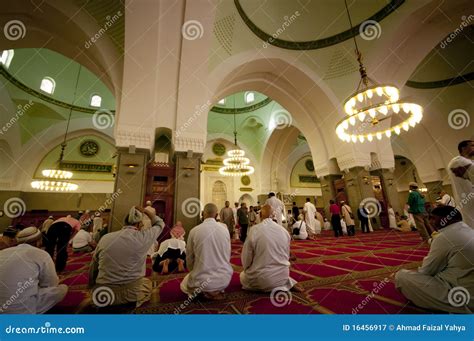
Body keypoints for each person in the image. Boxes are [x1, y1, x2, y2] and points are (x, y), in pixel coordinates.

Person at [395, 206, 474, 313]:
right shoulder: (469, 230)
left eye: (433, 218)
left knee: (402, 276)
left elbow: (427, 271)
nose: (431, 222)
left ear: (447, 219)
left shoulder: (444, 237)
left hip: (464, 297)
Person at [89, 206, 164, 307]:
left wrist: (93, 286)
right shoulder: (143, 237)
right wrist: (145, 211)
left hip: (103, 294)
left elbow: (94, 266)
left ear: (124, 222)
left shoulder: (105, 238)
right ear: (139, 224)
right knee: (147, 283)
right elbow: (160, 224)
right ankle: (133, 303)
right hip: (131, 294)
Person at [0, 226, 68, 314]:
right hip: (21, 312)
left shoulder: (2, 252)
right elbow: (51, 284)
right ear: (38, 241)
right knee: (62, 288)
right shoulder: (42, 254)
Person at [240, 205, 302, 292]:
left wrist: (246, 268)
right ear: (273, 215)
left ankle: (271, 284)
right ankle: (285, 283)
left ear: (260, 214)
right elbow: (286, 255)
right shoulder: (284, 231)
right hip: (283, 276)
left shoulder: (254, 230)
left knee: (242, 276)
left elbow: (246, 257)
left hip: (262, 279)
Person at [180, 203, 233, 300]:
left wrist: (194, 271)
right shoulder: (225, 230)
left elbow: (189, 259)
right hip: (224, 279)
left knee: (183, 285)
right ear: (217, 215)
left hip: (201, 280)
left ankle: (206, 292)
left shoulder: (194, 231)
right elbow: (227, 255)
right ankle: (215, 291)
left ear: (203, 214)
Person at [448, 140, 474, 228]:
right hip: (467, 199)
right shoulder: (457, 161)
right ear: (463, 148)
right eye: (472, 145)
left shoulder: (469, 161)